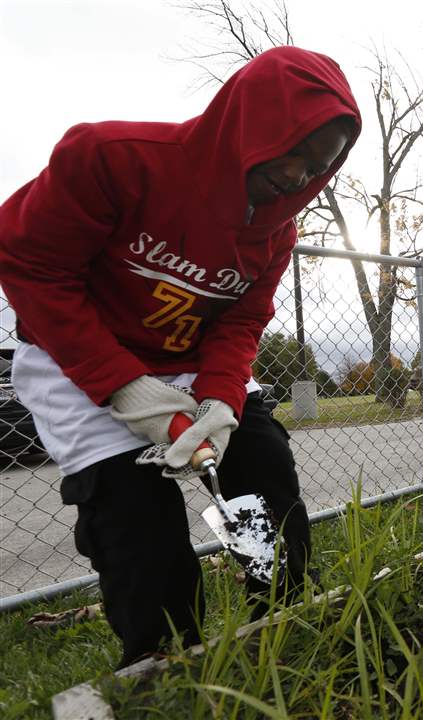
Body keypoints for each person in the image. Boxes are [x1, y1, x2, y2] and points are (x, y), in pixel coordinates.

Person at [0, 46, 361, 667]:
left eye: (320, 166)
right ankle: (164, 665)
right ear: (251, 122)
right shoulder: (111, 160)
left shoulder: (275, 233)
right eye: (295, 150)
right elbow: (31, 263)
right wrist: (122, 387)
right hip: (78, 359)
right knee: (137, 518)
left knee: (262, 465)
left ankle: (282, 620)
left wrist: (221, 396)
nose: (303, 176)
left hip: (190, 363)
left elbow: (243, 318)